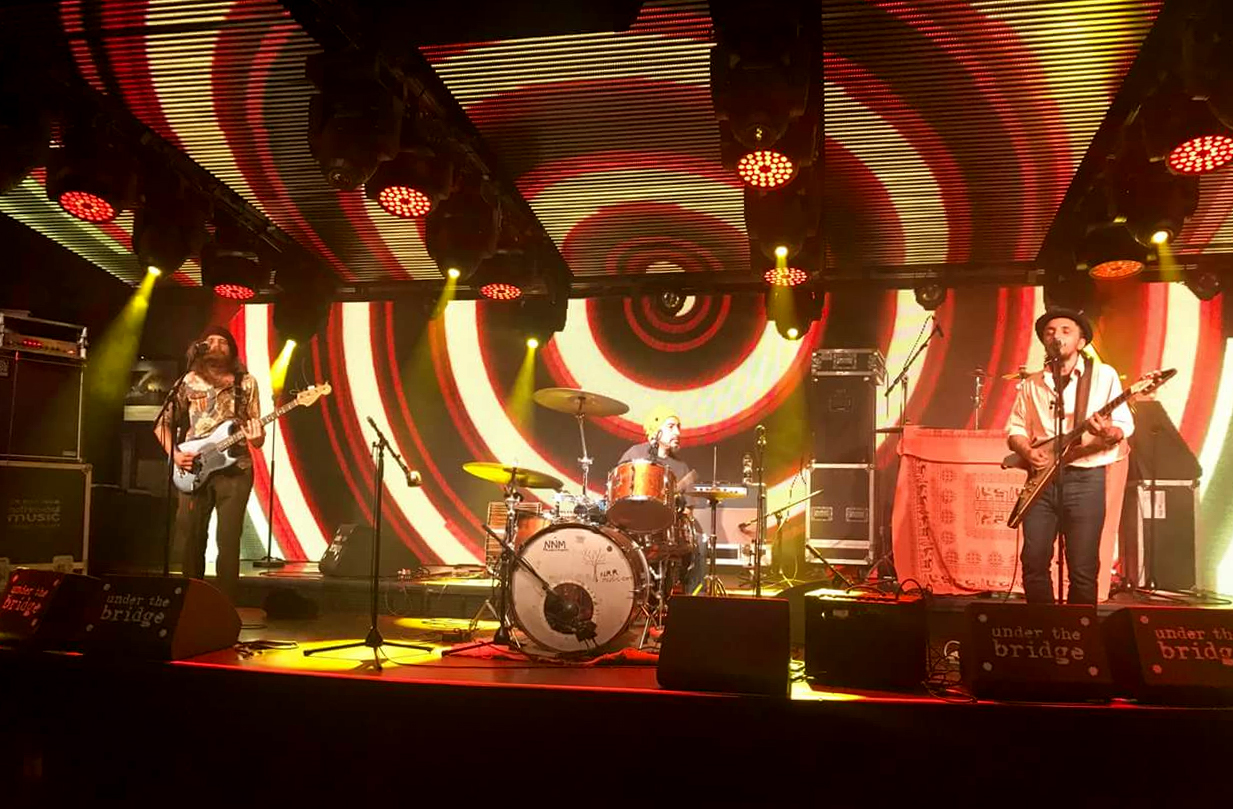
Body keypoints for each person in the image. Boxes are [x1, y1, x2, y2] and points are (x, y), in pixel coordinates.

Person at [1006, 309, 1133, 605]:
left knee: (1083, 567)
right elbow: (1015, 429)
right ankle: (1043, 625)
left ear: (1081, 341)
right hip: (1041, 481)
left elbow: (1123, 427)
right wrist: (1027, 451)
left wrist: (1106, 431)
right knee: (1034, 562)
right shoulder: (1032, 383)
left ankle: (1080, 629)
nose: (1057, 336)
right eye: (1050, 332)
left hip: (1085, 478)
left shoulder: (1103, 376)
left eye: (1066, 330)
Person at [154, 326, 264, 601]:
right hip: (194, 466)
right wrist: (175, 455)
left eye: (222, 342)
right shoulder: (188, 381)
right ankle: (191, 601)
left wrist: (257, 437)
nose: (215, 345)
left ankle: (225, 605)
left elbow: (257, 433)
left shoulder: (246, 383)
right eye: (209, 341)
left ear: (232, 350)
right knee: (191, 537)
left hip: (236, 469)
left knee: (228, 539)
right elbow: (161, 424)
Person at [617, 406, 705, 593]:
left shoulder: (681, 467)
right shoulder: (634, 454)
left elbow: (688, 512)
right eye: (671, 426)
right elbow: (619, 492)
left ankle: (693, 599)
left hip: (668, 530)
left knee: (700, 543)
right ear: (655, 429)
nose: (677, 432)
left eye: (678, 427)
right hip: (633, 526)